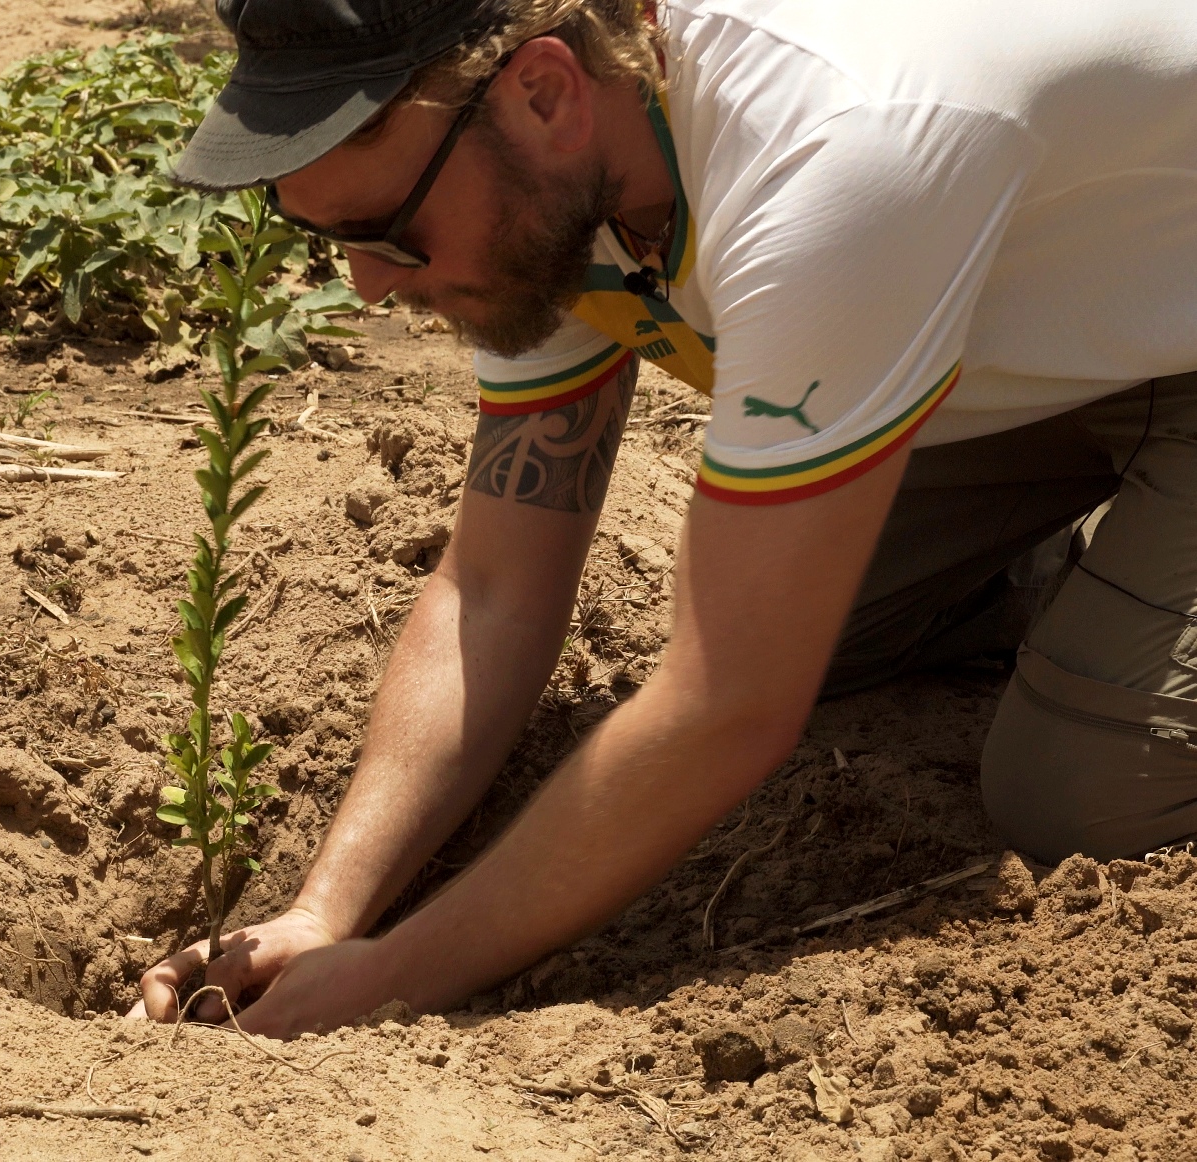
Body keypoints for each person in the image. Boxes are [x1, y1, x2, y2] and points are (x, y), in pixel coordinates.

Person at [129, 0, 1197, 1036]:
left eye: (390, 235)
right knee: (812, 617)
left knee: (1086, 792)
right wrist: (328, 913)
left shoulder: (835, 149)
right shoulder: (561, 171)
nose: (365, 285)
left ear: (543, 92)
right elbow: (494, 588)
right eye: (328, 237)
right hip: (1077, 333)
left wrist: (397, 977)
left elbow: (730, 703)